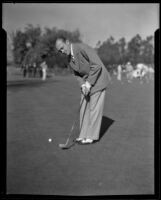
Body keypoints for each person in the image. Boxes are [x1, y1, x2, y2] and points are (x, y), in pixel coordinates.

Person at [55, 36, 111, 144]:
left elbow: (97, 65)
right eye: (59, 51)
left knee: (94, 107)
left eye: (62, 48)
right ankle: (83, 135)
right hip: (86, 81)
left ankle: (91, 136)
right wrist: (82, 85)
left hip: (99, 79)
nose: (61, 51)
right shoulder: (68, 58)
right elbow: (76, 74)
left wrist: (89, 83)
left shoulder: (82, 48)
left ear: (67, 42)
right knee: (83, 105)